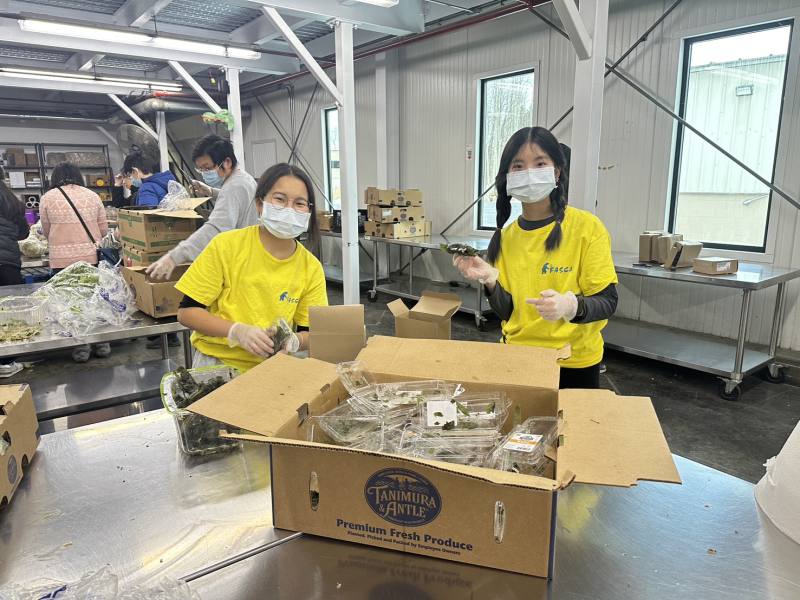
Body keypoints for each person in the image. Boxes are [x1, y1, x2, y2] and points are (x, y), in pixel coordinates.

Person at [453, 127, 617, 389]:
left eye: (539, 163)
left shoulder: (588, 228)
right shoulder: (506, 237)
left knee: (570, 430)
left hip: (573, 362)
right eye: (518, 166)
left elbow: (608, 301)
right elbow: (508, 312)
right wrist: (491, 282)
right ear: (507, 177)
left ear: (556, 171)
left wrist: (571, 306)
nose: (529, 173)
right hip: (518, 359)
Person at [175, 163, 327, 371]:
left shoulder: (311, 268)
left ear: (308, 211)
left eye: (299, 203)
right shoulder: (226, 246)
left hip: (271, 369)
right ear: (260, 204)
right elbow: (187, 312)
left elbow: (311, 331)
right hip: (216, 366)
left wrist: (295, 341)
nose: (289, 209)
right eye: (280, 199)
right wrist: (236, 331)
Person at [145, 135, 258, 282]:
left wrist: (174, 257)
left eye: (207, 168)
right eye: (201, 169)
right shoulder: (243, 178)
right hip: (249, 256)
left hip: (241, 263)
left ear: (227, 162)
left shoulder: (234, 186)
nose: (205, 173)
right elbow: (237, 202)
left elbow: (215, 228)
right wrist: (211, 191)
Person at [39, 162, 111, 363]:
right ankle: (102, 343)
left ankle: (81, 348)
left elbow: (46, 231)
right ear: (78, 176)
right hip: (90, 258)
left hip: (61, 261)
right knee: (94, 301)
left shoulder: (47, 198)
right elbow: (103, 231)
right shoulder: (92, 196)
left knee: (69, 306)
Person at [0, 171, 30, 377]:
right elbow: (24, 232)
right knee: (10, 312)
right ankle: (6, 361)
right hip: (7, 263)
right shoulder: (10, 199)